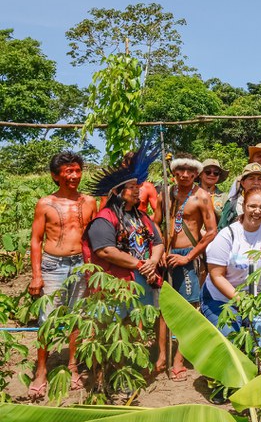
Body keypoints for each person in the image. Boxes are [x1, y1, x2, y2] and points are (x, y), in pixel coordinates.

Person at [84, 144, 166, 372]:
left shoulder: (142, 216)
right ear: (118, 192)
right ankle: (108, 372)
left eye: (138, 187)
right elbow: (105, 250)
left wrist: (152, 262)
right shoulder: (104, 218)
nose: (137, 191)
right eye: (132, 187)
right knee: (114, 325)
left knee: (133, 323)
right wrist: (141, 264)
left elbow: (158, 242)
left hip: (141, 278)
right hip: (116, 282)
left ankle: (129, 369)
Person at [27, 152, 97, 399]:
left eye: (77, 170)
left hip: (80, 264)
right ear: (55, 176)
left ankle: (73, 365)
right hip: (52, 264)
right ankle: (42, 370)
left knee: (78, 316)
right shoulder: (45, 203)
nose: (74, 176)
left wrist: (92, 270)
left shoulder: (88, 201)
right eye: (68, 171)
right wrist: (36, 276)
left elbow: (91, 238)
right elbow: (36, 240)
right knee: (47, 319)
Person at [155, 153, 217, 380]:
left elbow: (211, 232)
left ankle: (179, 359)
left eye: (190, 171)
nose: (184, 175)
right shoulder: (166, 194)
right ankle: (161, 356)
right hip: (166, 255)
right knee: (164, 310)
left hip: (187, 257)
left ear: (196, 174)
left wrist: (188, 257)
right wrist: (159, 250)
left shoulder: (201, 197)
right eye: (180, 170)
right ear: (173, 172)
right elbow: (156, 223)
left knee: (189, 309)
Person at [201, 188, 261, 337]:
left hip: (256, 299)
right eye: (252, 206)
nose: (257, 211)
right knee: (231, 338)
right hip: (221, 299)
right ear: (244, 206)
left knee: (260, 341)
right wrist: (243, 302)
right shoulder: (228, 234)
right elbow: (216, 276)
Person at [219, 163, 261, 230]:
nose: (256, 182)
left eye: (259, 179)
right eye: (251, 179)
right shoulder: (233, 203)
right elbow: (221, 229)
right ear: (242, 183)